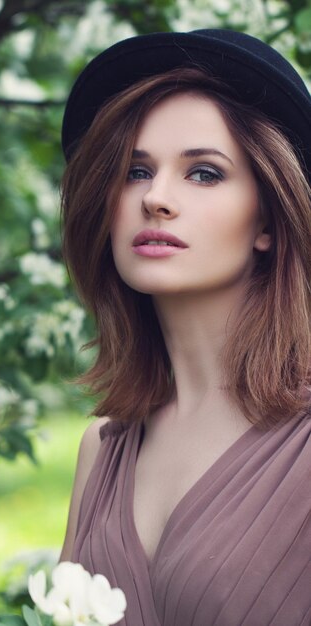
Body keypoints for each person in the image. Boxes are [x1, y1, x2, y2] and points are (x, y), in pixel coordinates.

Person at [58, 30, 311, 625]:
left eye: (203, 173)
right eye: (134, 171)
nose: (157, 199)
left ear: (268, 220)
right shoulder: (101, 449)